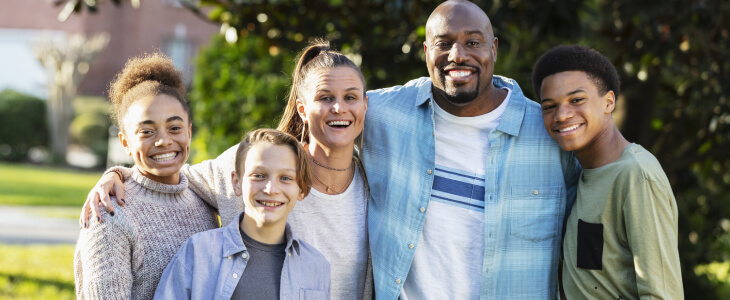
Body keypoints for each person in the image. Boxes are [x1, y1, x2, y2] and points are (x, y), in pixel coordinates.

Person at [82, 41, 373, 299]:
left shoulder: (375, 184)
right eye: (324, 97)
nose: (338, 108)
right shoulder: (261, 160)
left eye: (350, 97)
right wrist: (117, 174)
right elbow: (167, 173)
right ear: (301, 109)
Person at [361, 0, 580, 298]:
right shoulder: (380, 113)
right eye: (444, 44)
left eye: (473, 42)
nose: (458, 55)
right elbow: (312, 131)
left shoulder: (548, 133)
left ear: (494, 49)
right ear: (426, 52)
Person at [532, 45, 683, 299]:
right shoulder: (579, 172)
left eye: (576, 100)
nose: (562, 115)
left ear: (608, 102)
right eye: (549, 106)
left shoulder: (636, 176)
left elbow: (662, 294)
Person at [73, 53, 218, 299]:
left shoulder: (204, 195)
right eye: (147, 131)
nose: (163, 140)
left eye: (175, 128)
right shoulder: (108, 214)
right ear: (125, 142)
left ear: (189, 132)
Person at [154, 128, 331, 299]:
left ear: (302, 189)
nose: (270, 189)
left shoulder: (316, 266)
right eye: (259, 175)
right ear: (236, 182)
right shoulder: (198, 252)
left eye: (285, 178)